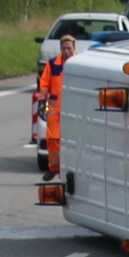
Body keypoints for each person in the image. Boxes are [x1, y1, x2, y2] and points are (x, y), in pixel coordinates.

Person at [37, 34, 75, 180]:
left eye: (69, 48)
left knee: (72, 141)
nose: (66, 51)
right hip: (54, 110)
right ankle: (54, 168)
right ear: (60, 49)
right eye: (64, 48)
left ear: (74, 48)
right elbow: (44, 84)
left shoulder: (78, 64)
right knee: (52, 139)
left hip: (73, 111)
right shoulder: (53, 64)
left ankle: (70, 169)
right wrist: (42, 103)